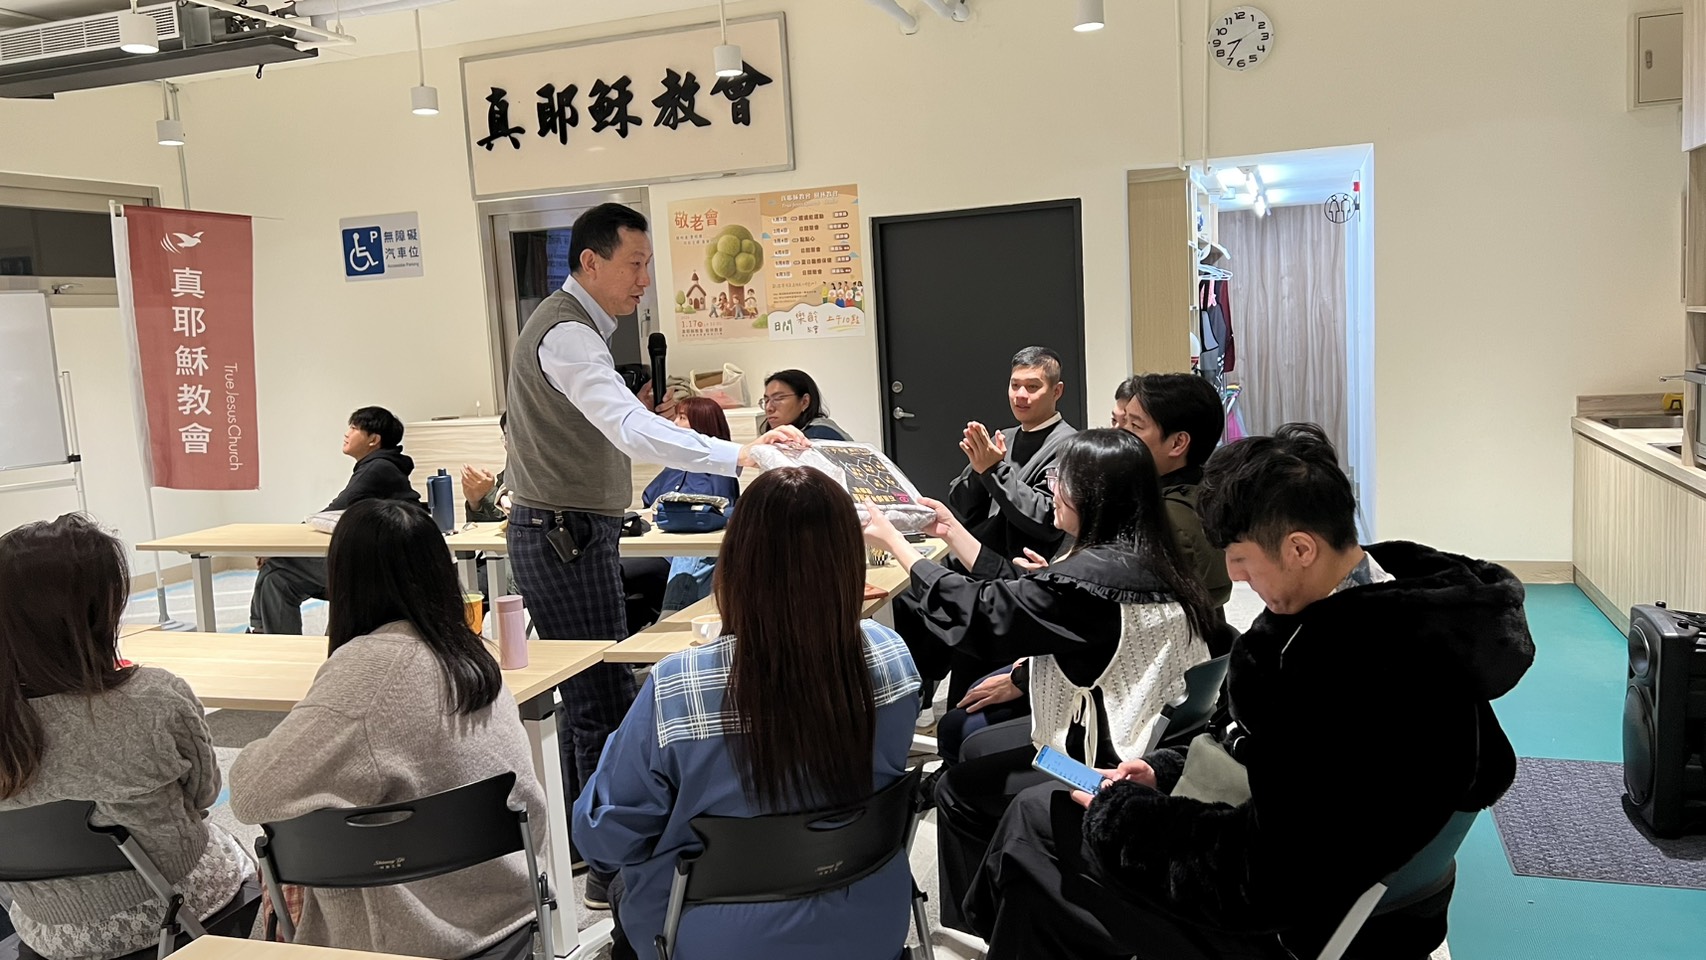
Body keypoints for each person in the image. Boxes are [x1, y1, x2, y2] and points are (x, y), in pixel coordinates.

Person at [962, 424, 1536, 960]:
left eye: (1241, 559)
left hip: (1292, 926)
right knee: (1040, 830)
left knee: (1037, 832)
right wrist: (1164, 770)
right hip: (1348, 895)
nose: (1235, 577)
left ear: (1301, 548)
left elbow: (1260, 879)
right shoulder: (1397, 614)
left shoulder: (1353, 675)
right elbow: (1266, 756)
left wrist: (1128, 818)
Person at [501, 202, 804, 910]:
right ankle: (606, 870)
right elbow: (630, 429)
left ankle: (595, 851)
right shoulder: (568, 334)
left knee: (593, 692)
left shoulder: (570, 329)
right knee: (598, 698)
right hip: (563, 531)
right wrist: (738, 453)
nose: (644, 281)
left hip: (571, 527)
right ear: (590, 263)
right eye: (634, 264)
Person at [862, 428, 1214, 937]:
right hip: (1140, 748)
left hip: (1098, 768)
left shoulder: (1087, 582)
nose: (1051, 489)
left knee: (957, 789)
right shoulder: (1144, 557)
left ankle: (979, 924)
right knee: (971, 740)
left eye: (1058, 480)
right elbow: (1025, 594)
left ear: (1091, 495)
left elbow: (985, 615)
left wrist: (896, 543)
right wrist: (951, 531)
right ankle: (1007, 888)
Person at [573, 467, 921, 960]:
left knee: (623, 891)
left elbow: (604, 839)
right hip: (870, 925)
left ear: (738, 558)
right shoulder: (892, 657)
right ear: (850, 560)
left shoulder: (679, 685)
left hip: (711, 940)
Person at [228, 499, 546, 959]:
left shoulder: (367, 673)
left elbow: (251, 793)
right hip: (511, 916)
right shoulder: (473, 657)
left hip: (406, 941)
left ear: (344, 579)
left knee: (290, 832)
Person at [0, 515, 253, 960]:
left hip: (49, 929)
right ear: (102, 610)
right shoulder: (156, 697)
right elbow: (205, 794)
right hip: (172, 909)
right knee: (240, 850)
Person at [898, 346, 1079, 711]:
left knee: (966, 689)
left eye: (1033, 387)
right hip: (974, 560)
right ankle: (919, 695)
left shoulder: (1069, 445)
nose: (1021, 395)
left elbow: (1044, 521)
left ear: (1056, 391)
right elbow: (964, 505)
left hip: (1014, 575)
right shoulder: (1005, 438)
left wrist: (994, 471)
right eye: (1015, 385)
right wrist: (980, 469)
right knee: (909, 598)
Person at [248, 405, 420, 635]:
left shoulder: (379, 468)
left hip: (382, 569)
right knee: (277, 579)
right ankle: (278, 644)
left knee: (278, 561)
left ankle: (259, 632)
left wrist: (279, 547)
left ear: (373, 439)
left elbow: (331, 512)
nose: (347, 433)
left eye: (355, 428)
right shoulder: (377, 466)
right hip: (371, 561)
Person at [1112, 373, 1233, 612]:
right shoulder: (1200, 492)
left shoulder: (1168, 520)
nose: (1121, 434)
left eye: (1135, 426)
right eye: (1121, 422)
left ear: (1177, 443)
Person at [641, 397, 742, 614]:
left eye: (682, 417)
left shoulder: (719, 473)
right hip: (651, 545)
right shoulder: (673, 468)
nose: (674, 423)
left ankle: (670, 615)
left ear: (701, 423)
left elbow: (715, 514)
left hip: (677, 553)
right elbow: (648, 503)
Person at [760, 369, 852, 440]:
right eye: (766, 400)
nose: (768, 408)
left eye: (778, 398)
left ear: (805, 402)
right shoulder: (782, 434)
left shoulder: (820, 435)